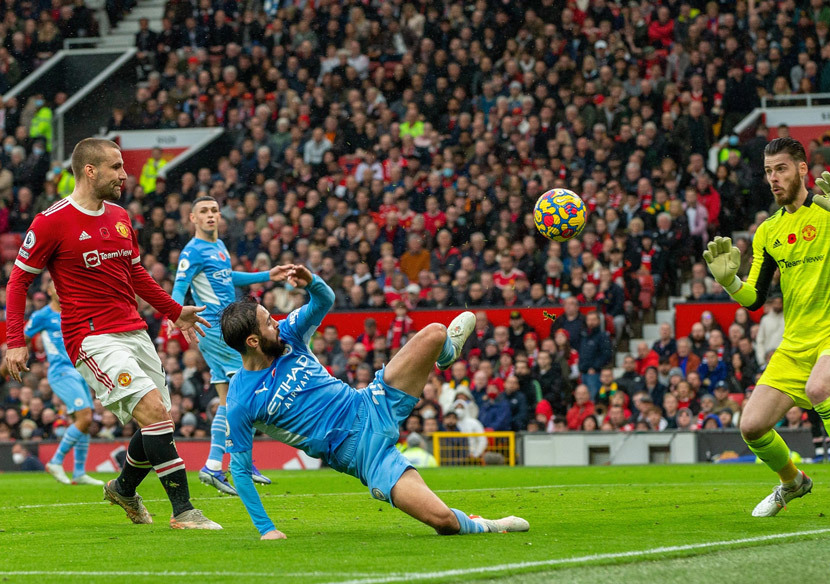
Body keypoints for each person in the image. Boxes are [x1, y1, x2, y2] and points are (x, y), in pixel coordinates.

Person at [221, 265, 529, 539]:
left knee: (436, 333)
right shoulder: (240, 399)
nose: (276, 322)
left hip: (371, 401)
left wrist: (312, 281)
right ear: (253, 341)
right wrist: (267, 529)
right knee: (444, 522)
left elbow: (324, 300)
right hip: (362, 454)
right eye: (268, 322)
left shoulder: (288, 334)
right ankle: (486, 524)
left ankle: (446, 355)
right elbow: (240, 470)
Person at [4, 138, 219, 530]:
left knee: (159, 419)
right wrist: (15, 341)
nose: (124, 175)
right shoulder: (51, 221)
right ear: (90, 171)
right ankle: (184, 511)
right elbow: (18, 281)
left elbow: (135, 273)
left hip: (133, 330)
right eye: (116, 167)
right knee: (153, 411)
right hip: (90, 337)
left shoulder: (121, 216)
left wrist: (174, 310)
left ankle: (123, 489)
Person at [703, 137, 830, 518]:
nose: (773, 178)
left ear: (802, 169)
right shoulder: (768, 231)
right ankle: (793, 481)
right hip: (794, 344)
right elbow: (755, 297)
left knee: (819, 389)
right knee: (751, 426)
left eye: (782, 169)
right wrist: (730, 282)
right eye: (769, 171)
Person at [172, 195, 294, 495]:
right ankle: (240, 461)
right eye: (203, 211)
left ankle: (214, 465)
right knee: (250, 388)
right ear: (193, 218)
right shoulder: (192, 251)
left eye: (214, 210)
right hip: (216, 329)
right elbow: (179, 286)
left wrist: (267, 275)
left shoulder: (218, 246)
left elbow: (228, 276)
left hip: (221, 329)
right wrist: (175, 315)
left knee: (229, 400)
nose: (210, 215)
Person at [24, 280, 103, 485]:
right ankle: (56, 461)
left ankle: (79, 472)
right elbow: (24, 336)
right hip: (61, 371)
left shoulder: (74, 311)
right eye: (55, 286)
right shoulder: (42, 315)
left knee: (84, 420)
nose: (60, 289)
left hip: (80, 370)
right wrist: (22, 355)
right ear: (49, 291)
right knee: (85, 416)